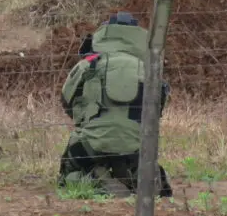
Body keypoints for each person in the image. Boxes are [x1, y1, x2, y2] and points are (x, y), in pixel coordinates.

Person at [58, 12, 174, 198]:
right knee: (133, 158)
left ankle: (97, 179)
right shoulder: (149, 69)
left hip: (92, 143)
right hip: (138, 145)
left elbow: (66, 101)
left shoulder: (89, 64)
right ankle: (142, 179)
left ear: (104, 35)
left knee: (70, 169)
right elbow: (157, 109)